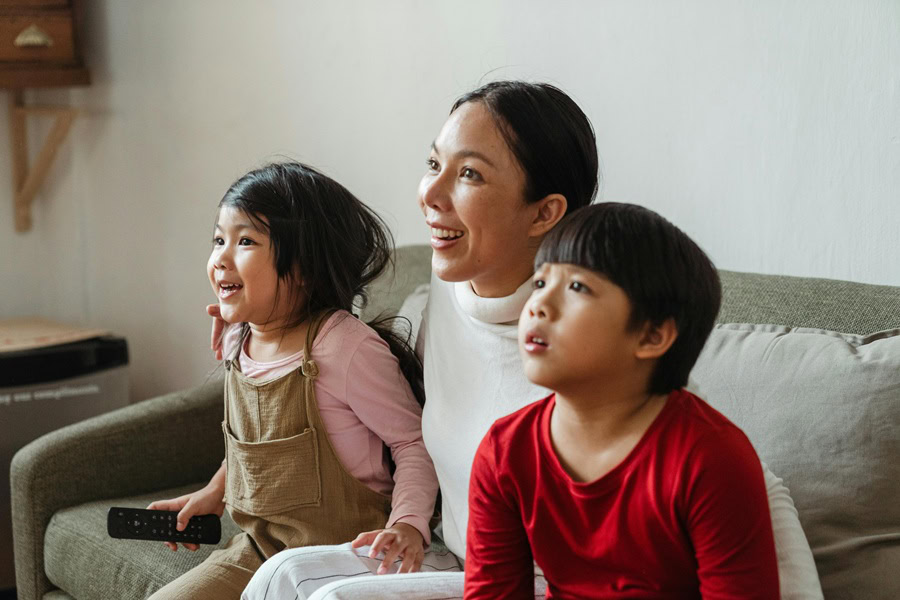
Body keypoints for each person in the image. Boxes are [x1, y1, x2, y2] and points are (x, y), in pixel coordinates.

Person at [242, 81, 823, 599]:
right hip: (467, 560)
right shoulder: (450, 293)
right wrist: (252, 334)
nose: (430, 193)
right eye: (434, 163)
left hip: (551, 582)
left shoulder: (607, 353)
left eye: (468, 173)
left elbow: (737, 479)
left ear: (544, 212)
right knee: (283, 576)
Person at [146, 162, 439, 599]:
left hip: (345, 557)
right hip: (258, 550)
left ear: (303, 267)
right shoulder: (237, 340)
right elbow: (258, 444)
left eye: (245, 241)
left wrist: (408, 524)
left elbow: (413, 442)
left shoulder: (344, 348)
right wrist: (214, 492)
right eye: (218, 240)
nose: (221, 258)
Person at [465, 202, 779, 598]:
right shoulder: (504, 451)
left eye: (578, 287)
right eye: (540, 283)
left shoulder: (712, 459)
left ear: (651, 336)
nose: (539, 305)